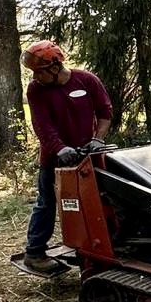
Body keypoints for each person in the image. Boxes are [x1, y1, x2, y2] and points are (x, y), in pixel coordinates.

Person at [22, 40, 112, 272]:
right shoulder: (36, 90)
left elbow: (105, 112)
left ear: (54, 67)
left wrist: (97, 139)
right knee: (46, 203)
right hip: (54, 158)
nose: (35, 77)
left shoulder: (86, 80)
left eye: (38, 72)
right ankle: (34, 253)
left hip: (87, 156)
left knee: (97, 202)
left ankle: (95, 247)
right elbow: (42, 126)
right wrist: (60, 149)